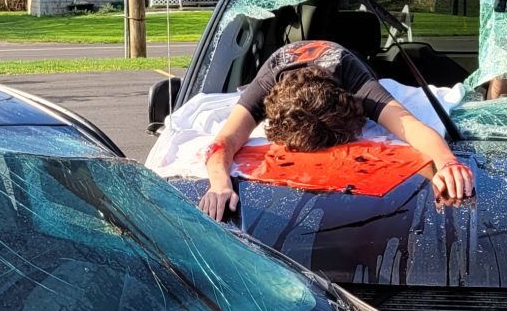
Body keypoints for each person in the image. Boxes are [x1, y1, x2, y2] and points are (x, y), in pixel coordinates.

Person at [199, 39, 474, 221]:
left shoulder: (355, 82)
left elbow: (410, 126)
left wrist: (448, 162)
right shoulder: (266, 84)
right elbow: (225, 141)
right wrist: (220, 185)